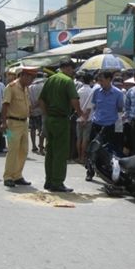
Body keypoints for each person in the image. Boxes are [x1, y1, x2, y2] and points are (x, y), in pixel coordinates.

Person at [38, 58, 83, 193]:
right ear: (68, 68)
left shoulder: (50, 79)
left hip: (50, 119)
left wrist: (46, 115)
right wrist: (81, 114)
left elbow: (41, 100)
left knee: (50, 151)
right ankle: (57, 182)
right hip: (61, 120)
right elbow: (74, 100)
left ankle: (48, 180)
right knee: (60, 153)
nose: (72, 72)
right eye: (72, 69)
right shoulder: (67, 81)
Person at [0, 67, 38, 187]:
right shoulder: (11, 87)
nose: (31, 81)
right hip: (12, 123)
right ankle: (8, 176)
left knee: (24, 150)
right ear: (23, 76)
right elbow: (5, 105)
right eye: (30, 78)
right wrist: (3, 123)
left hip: (24, 123)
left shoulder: (26, 88)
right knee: (12, 150)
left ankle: (17, 175)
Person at [88, 70, 124, 153]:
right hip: (96, 124)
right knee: (94, 150)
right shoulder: (96, 91)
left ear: (109, 79)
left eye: (102, 80)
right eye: (99, 80)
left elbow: (120, 109)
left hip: (110, 126)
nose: (100, 83)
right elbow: (94, 106)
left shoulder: (118, 93)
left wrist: (119, 126)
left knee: (109, 151)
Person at [75, 72, 94, 163]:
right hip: (88, 118)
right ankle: (83, 157)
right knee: (85, 139)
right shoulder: (91, 91)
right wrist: (85, 119)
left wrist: (81, 117)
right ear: (91, 80)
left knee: (79, 139)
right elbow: (89, 107)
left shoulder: (79, 91)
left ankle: (79, 157)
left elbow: (76, 104)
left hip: (79, 117)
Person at [28, 71, 46, 154]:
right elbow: (42, 99)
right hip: (41, 111)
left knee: (32, 129)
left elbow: (28, 99)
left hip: (32, 111)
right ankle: (41, 146)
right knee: (41, 129)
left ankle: (33, 146)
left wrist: (31, 108)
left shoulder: (30, 87)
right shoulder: (43, 86)